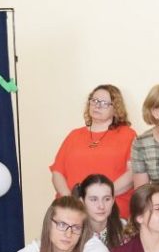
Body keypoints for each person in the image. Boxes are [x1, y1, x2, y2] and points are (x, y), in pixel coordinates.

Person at [50, 85, 136, 216]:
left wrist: (100, 198)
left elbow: (133, 174)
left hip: (110, 210)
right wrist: (70, 200)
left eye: (104, 103)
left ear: (115, 109)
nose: (97, 105)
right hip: (72, 210)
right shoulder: (74, 135)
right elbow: (57, 172)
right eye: (94, 100)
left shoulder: (128, 135)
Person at [74, 173, 125, 251]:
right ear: (82, 202)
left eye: (107, 199)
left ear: (113, 200)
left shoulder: (124, 229)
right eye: (94, 199)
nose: (101, 206)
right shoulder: (72, 232)